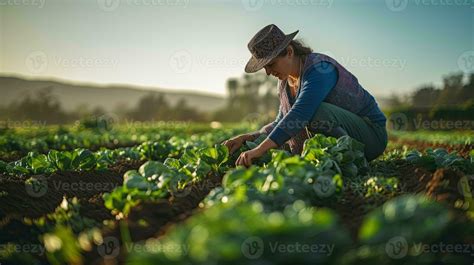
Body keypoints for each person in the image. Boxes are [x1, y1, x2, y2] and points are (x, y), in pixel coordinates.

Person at [223, 24, 387, 167]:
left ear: (289, 51)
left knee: (317, 112)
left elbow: (301, 113)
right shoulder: (285, 83)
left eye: (270, 64)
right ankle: (333, 161)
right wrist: (249, 137)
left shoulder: (320, 69)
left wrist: (260, 149)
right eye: (264, 68)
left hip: (371, 135)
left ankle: (351, 161)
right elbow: (282, 121)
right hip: (349, 133)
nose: (267, 73)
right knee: (291, 128)